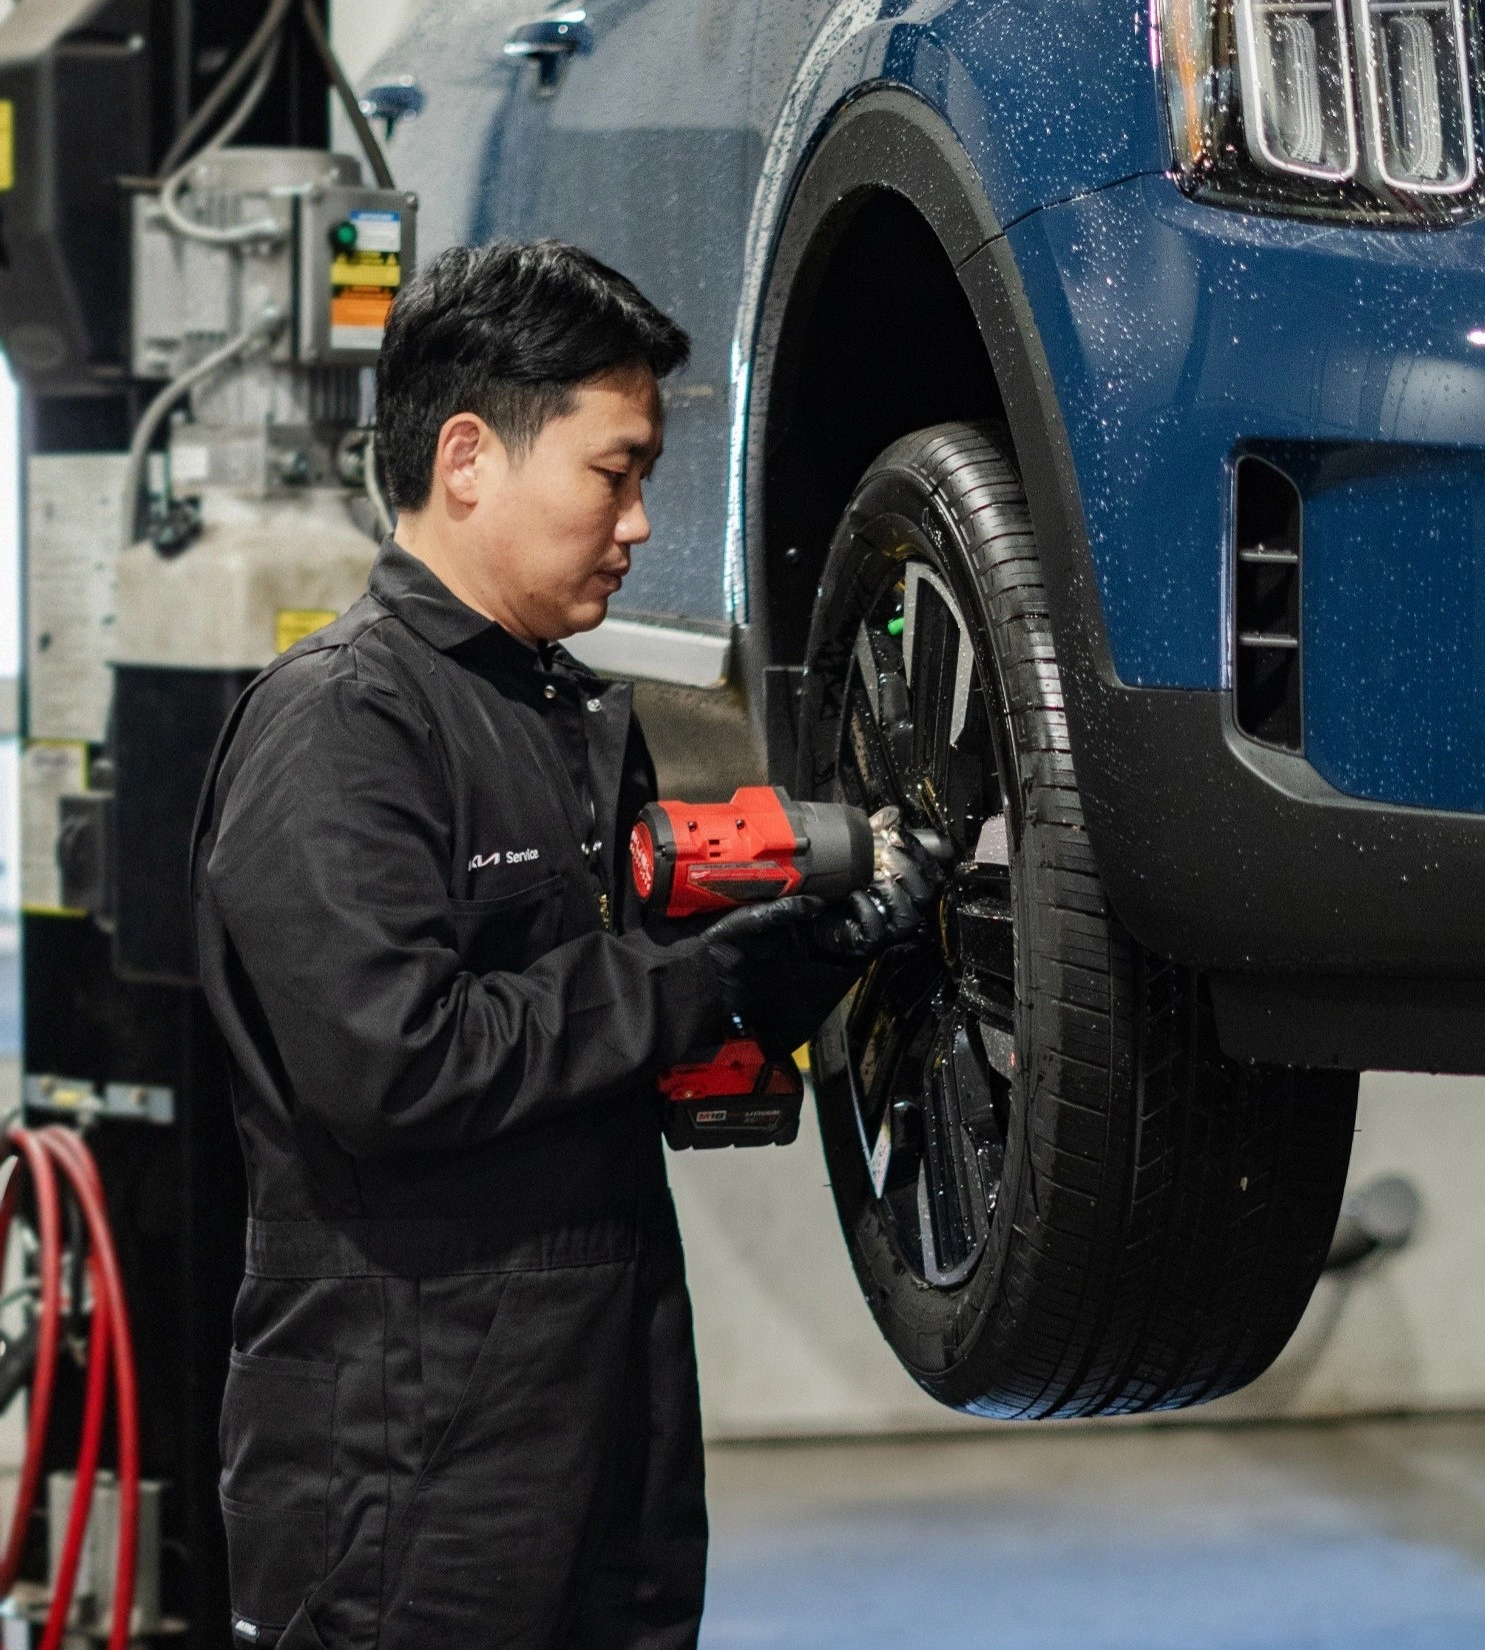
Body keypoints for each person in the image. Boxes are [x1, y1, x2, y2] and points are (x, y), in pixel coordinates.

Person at [190, 240, 931, 1650]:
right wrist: (699, 979)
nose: (639, 521)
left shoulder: (570, 718)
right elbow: (394, 1064)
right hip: (404, 1434)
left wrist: (795, 957)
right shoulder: (342, 724)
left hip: (606, 1383)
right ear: (468, 457)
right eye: (615, 470)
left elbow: (623, 1019)